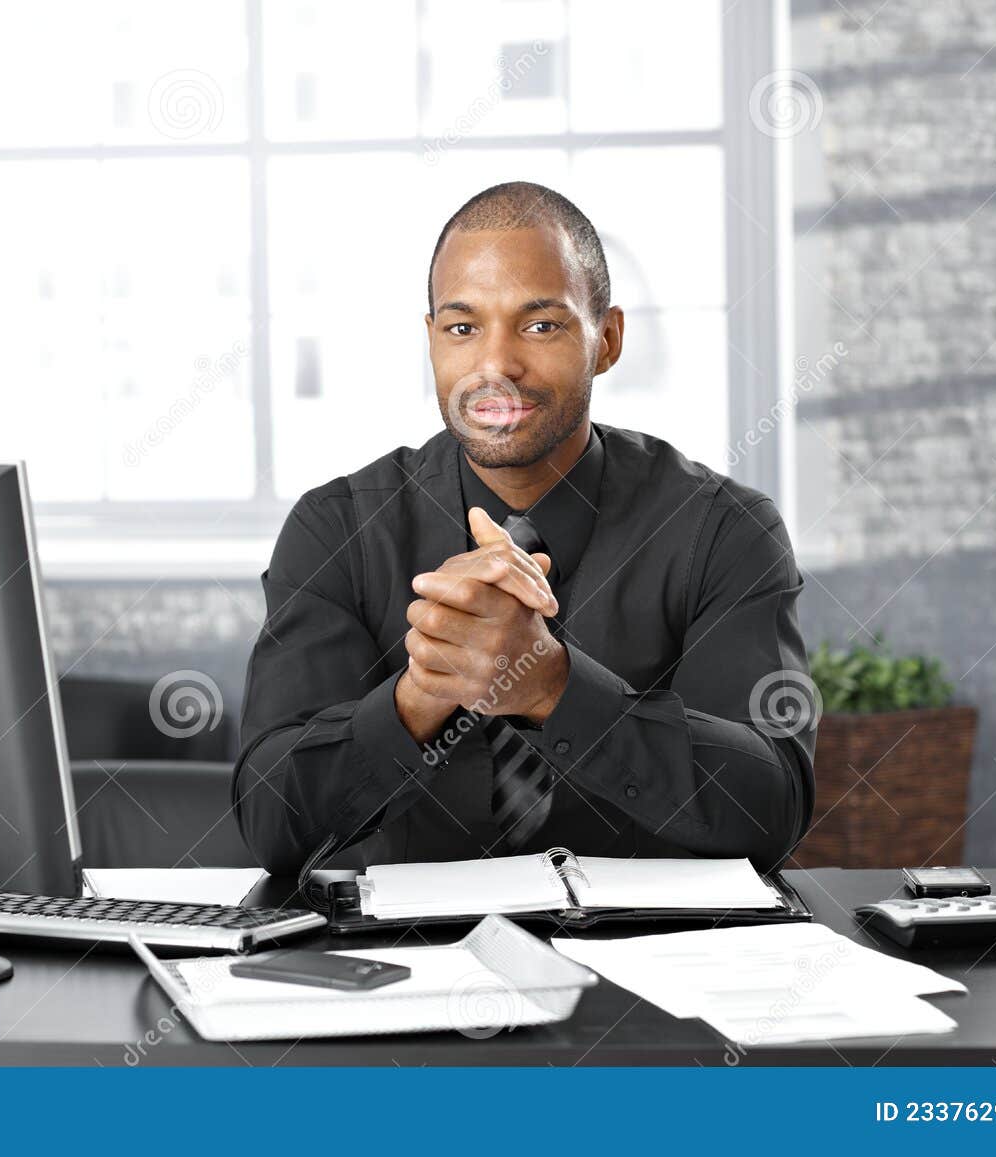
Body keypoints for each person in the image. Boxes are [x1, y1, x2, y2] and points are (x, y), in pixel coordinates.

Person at [232, 181, 814, 876]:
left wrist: (552, 686)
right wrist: (421, 695)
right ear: (431, 341)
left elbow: (772, 809)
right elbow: (271, 822)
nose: (496, 366)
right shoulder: (338, 529)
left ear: (607, 340)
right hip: (409, 942)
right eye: (463, 328)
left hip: (654, 941)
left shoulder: (724, 530)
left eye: (541, 326)